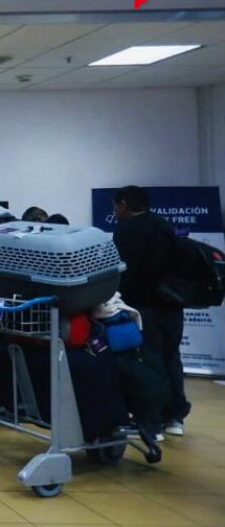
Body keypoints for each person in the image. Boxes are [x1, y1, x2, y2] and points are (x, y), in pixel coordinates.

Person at [112, 185, 189, 436]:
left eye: (116, 206)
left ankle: (152, 423)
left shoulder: (126, 229)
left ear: (124, 204)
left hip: (143, 306)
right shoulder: (164, 225)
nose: (115, 211)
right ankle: (175, 417)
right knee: (171, 357)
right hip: (172, 304)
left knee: (148, 363)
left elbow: (123, 270)